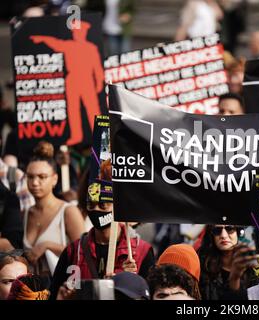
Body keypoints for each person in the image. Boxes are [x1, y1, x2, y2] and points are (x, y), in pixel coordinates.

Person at [49, 200, 155, 300]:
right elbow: (54, 293)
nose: (96, 210)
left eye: (103, 205)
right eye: (91, 205)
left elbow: (150, 294)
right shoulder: (73, 250)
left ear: (117, 207)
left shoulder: (141, 251)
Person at [30, 20, 104, 146]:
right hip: (72, 79)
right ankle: (76, 136)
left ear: (84, 33)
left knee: (93, 109)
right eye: (75, 32)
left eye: (79, 32)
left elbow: (97, 67)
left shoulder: (91, 48)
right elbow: (55, 43)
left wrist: (100, 82)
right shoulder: (69, 45)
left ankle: (100, 135)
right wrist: (42, 38)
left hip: (87, 80)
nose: (76, 34)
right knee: (73, 109)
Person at [23, 142, 85, 276]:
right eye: (30, 176)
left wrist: (48, 245)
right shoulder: (26, 213)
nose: (34, 182)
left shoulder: (68, 211)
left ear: (55, 179)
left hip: (62, 290)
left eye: (42, 177)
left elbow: (84, 253)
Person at [198, 225, 259, 300]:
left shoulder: (252, 265)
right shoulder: (203, 264)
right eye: (217, 230)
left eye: (229, 229)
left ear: (239, 232)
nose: (223, 236)